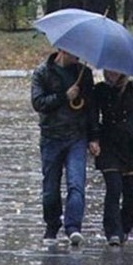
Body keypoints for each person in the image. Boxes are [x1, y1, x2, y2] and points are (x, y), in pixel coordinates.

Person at [30, 49, 99, 246]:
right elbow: (38, 102)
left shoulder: (83, 74)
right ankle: (52, 226)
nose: (77, 55)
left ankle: (73, 227)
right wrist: (63, 96)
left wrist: (94, 137)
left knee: (76, 183)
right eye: (72, 52)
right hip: (51, 137)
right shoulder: (42, 72)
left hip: (76, 136)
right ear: (62, 50)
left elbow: (90, 107)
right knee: (50, 188)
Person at [91, 70, 133, 246]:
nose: (111, 73)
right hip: (109, 145)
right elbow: (93, 117)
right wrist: (94, 138)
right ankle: (112, 231)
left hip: (132, 146)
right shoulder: (100, 90)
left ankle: (125, 227)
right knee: (113, 188)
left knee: (130, 193)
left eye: (115, 70)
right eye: (108, 70)